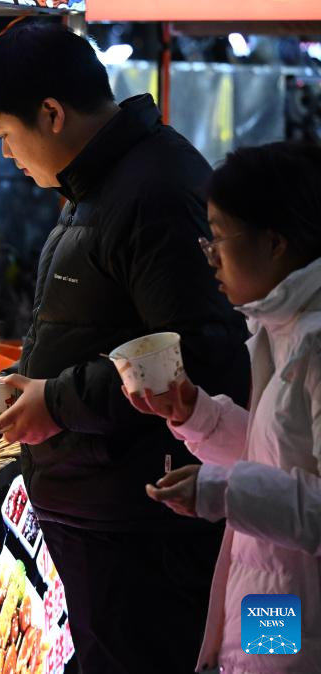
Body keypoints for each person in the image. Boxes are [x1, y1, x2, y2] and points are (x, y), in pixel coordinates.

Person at [0, 23, 251, 674]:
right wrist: (1, 406)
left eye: (4, 134)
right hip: (103, 513)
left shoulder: (154, 191)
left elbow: (201, 355)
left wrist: (60, 400)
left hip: (142, 522)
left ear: (51, 114)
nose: (6, 154)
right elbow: (93, 333)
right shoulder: (99, 186)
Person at [125, 142, 321, 672]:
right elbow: (280, 460)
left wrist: (219, 491)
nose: (208, 256)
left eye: (218, 239)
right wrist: (197, 415)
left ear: (275, 242)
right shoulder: (281, 330)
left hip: (308, 619)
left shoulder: (316, 344)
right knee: (254, 661)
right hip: (276, 594)